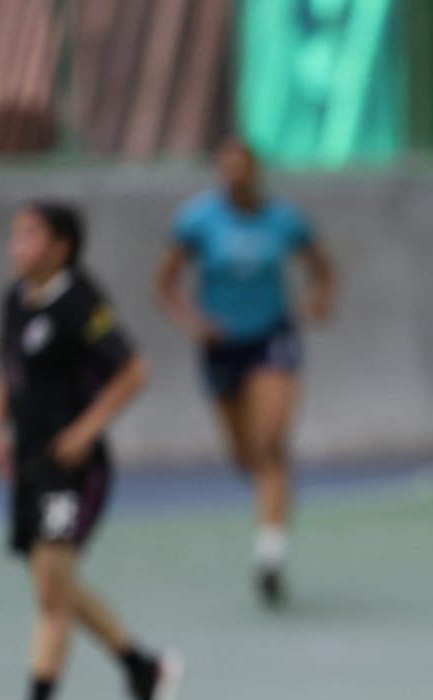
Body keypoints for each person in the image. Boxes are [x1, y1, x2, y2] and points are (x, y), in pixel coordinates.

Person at [0, 202, 183, 700]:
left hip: (72, 473)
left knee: (52, 587)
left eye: (31, 234)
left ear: (61, 246)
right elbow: (9, 370)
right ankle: (142, 668)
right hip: (29, 467)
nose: (18, 244)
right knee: (55, 586)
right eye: (15, 233)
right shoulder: (15, 299)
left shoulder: (81, 303)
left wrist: (85, 430)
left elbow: (134, 369)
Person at [155, 136, 336, 607]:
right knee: (246, 456)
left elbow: (323, 268)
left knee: (270, 442)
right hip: (222, 345)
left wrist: (319, 300)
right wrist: (195, 323)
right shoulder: (198, 220)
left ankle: (270, 554)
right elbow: (166, 282)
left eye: (242, 167)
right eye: (227, 168)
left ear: (256, 170)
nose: (235, 176)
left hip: (271, 336)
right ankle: (273, 494)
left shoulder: (284, 219)